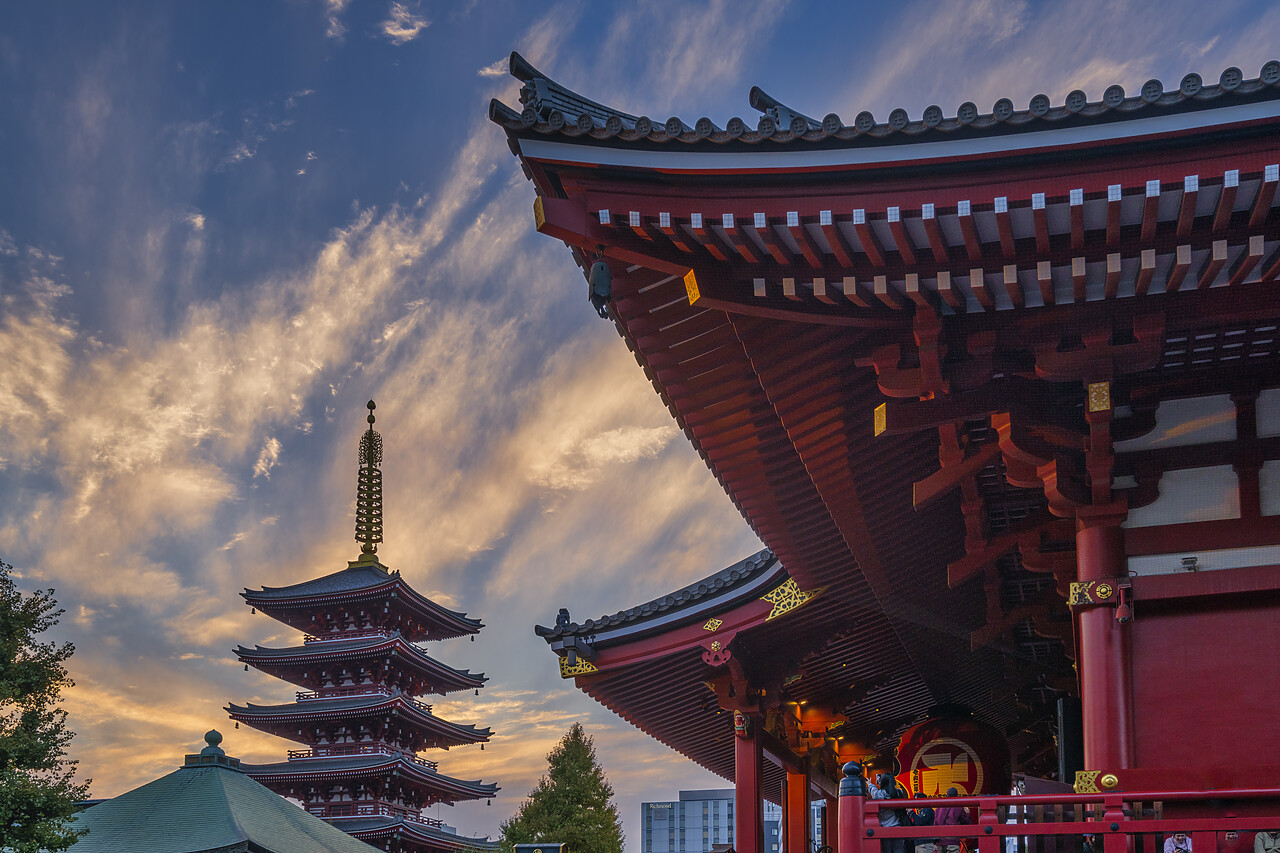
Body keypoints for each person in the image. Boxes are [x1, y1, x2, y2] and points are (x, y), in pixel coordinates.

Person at [869, 772, 907, 853]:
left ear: (882, 782)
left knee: (886, 850)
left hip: (884, 828)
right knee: (899, 850)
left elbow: (873, 792)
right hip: (897, 826)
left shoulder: (880, 794)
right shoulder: (899, 792)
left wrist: (870, 784)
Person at [934, 787, 972, 853]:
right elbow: (967, 822)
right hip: (952, 841)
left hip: (940, 841)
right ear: (956, 795)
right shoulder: (958, 807)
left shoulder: (938, 808)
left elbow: (935, 823)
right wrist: (968, 813)